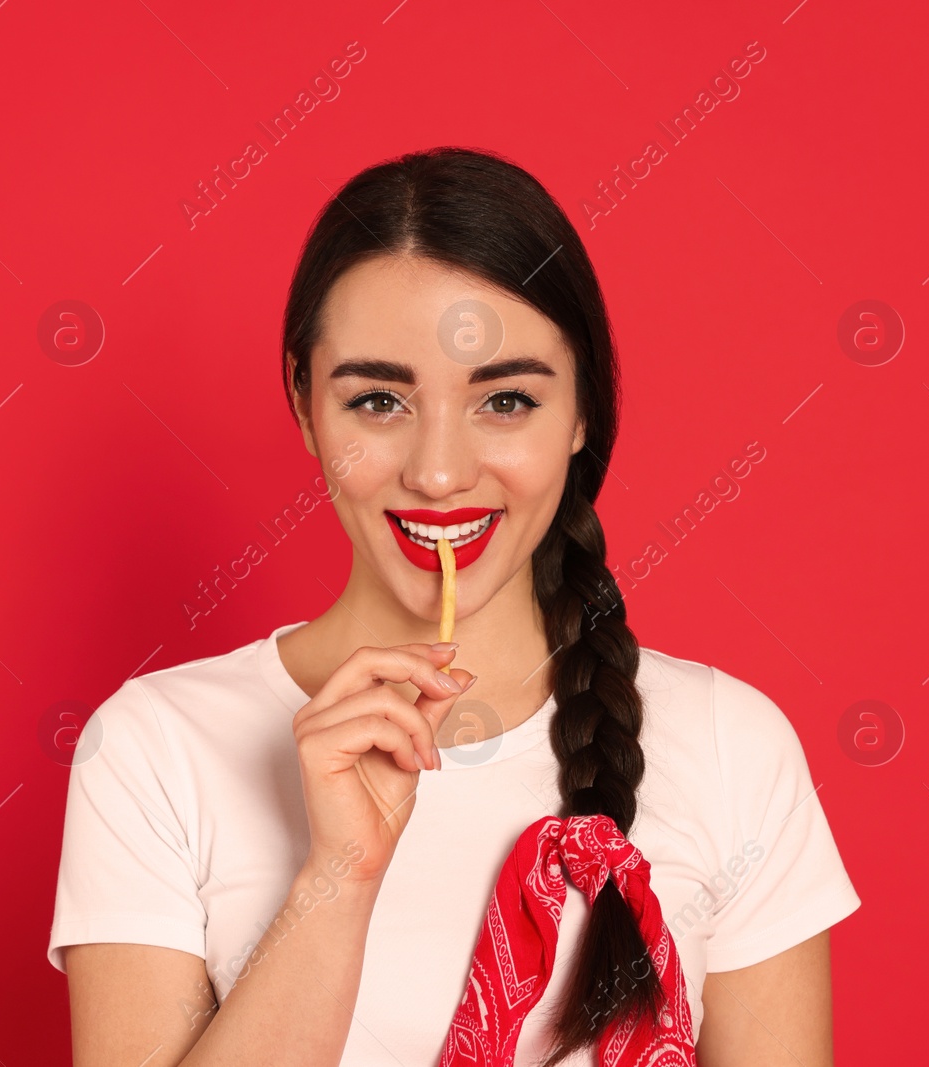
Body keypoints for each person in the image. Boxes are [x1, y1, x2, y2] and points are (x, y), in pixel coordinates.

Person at [46, 146, 861, 1066]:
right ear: (305, 404)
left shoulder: (730, 746)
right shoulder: (154, 750)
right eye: (380, 400)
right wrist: (339, 879)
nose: (438, 473)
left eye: (505, 399)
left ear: (583, 411)